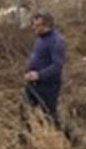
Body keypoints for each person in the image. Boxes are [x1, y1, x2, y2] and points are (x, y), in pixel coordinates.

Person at [21, 10, 74, 142]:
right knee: (25, 111)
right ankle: (25, 139)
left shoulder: (56, 41)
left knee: (50, 116)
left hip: (48, 85)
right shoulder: (40, 38)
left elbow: (57, 66)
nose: (33, 28)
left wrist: (39, 75)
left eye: (37, 25)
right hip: (32, 84)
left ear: (47, 25)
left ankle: (71, 139)